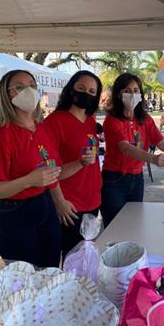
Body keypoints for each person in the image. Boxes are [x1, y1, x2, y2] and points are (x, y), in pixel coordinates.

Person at [0, 70, 63, 268]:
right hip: (15, 215)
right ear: (7, 93)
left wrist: (60, 200)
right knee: (26, 282)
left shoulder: (42, 128)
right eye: (20, 87)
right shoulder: (1, 135)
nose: (28, 91)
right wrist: (29, 180)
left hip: (45, 208)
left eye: (32, 86)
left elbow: (50, 170)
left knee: (50, 271)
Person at [101, 73, 164, 227]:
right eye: (127, 90)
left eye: (135, 90)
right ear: (119, 94)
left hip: (137, 178)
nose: (132, 94)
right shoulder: (112, 120)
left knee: (134, 222)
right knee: (115, 225)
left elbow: (162, 143)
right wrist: (154, 159)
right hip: (114, 180)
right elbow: (125, 148)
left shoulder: (144, 118)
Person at [42, 71, 104, 259]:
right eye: (81, 88)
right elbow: (49, 171)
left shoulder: (91, 122)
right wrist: (59, 201)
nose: (86, 93)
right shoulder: (54, 122)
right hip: (70, 204)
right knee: (71, 257)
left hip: (92, 200)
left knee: (86, 255)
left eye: (92, 91)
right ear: (71, 90)